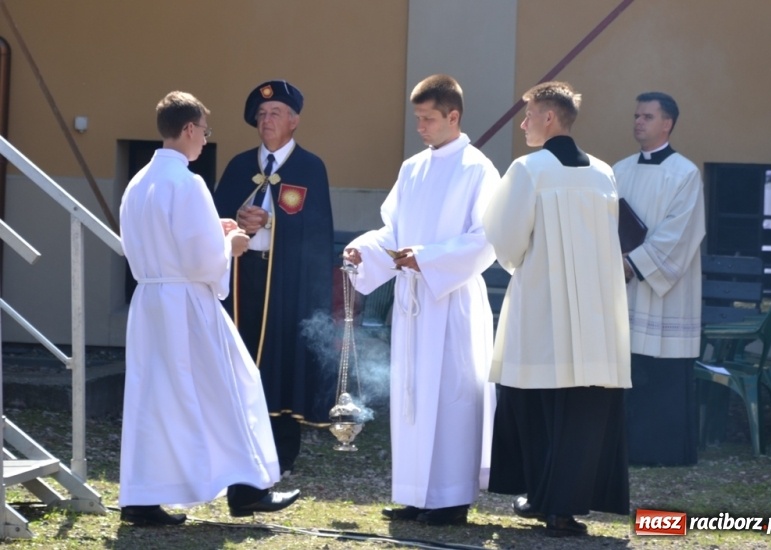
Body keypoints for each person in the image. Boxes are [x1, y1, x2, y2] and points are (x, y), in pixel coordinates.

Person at [119, 91, 300, 526]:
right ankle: (247, 490)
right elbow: (203, 260)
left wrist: (212, 230)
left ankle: (141, 497)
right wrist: (232, 244)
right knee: (235, 383)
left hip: (150, 299)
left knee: (152, 396)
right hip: (187, 303)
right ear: (187, 129)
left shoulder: (138, 181)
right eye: (203, 131)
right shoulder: (188, 181)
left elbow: (149, 240)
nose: (204, 139)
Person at [343, 74, 499, 526]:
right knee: (411, 395)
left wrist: (427, 259)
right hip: (413, 303)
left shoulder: (477, 169)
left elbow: (485, 240)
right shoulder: (412, 168)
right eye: (417, 119)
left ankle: (450, 499)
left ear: (454, 116)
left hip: (450, 301)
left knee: (450, 396)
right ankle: (414, 493)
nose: (421, 127)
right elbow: (392, 232)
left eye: (429, 118)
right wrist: (366, 249)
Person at [483, 81, 631, 538]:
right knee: (583, 409)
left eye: (528, 115)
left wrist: (526, 267)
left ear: (549, 118)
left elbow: (505, 239)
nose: (524, 124)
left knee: (539, 403)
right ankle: (562, 508)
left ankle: (542, 496)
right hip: (598, 316)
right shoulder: (604, 172)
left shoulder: (528, 170)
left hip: (543, 308)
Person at [213, 80, 335, 477]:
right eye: (262, 115)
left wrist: (272, 221)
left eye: (276, 113)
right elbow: (212, 217)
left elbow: (318, 231)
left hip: (287, 285)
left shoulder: (310, 168)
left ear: (294, 121)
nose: (267, 120)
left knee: (282, 362)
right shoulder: (238, 165)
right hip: (242, 281)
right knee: (240, 357)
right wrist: (239, 218)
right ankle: (236, 447)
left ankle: (281, 453)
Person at [613, 92, 706, 466]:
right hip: (624, 287)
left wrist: (632, 263)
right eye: (636, 115)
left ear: (667, 123)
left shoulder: (686, 173)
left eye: (647, 116)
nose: (638, 121)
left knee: (661, 372)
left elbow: (679, 234)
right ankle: (623, 449)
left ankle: (664, 451)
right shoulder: (618, 171)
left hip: (663, 293)